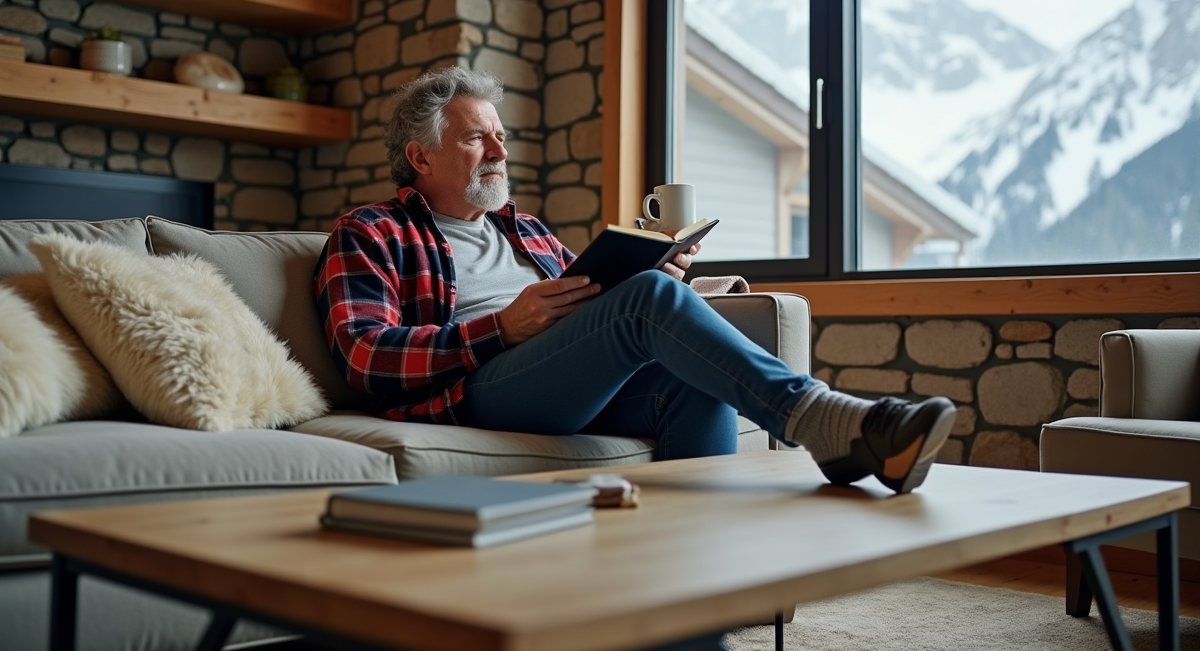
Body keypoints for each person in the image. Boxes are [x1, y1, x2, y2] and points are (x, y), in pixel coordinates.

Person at [314, 67, 956, 494]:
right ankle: (823, 421)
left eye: (501, 138)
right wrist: (499, 329)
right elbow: (366, 359)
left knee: (692, 375)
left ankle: (691, 602)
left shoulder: (526, 230)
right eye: (477, 139)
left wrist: (657, 278)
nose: (501, 153)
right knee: (647, 300)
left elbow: (592, 315)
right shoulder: (370, 231)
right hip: (469, 390)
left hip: (553, 381)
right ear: (420, 156)